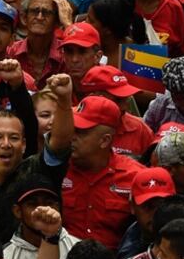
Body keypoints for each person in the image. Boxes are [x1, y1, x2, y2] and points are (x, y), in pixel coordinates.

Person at [63, 96, 146, 251]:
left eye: (81, 132)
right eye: (71, 129)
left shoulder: (135, 176)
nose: (72, 137)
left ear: (105, 140)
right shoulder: (57, 169)